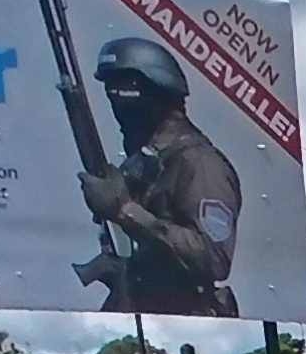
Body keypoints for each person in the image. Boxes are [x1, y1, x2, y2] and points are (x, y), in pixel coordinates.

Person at [76, 38, 241, 317]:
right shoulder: (147, 162)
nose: (115, 103)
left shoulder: (198, 162)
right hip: (146, 308)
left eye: (122, 90)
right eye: (110, 93)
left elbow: (213, 258)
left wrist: (124, 211)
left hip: (185, 319)